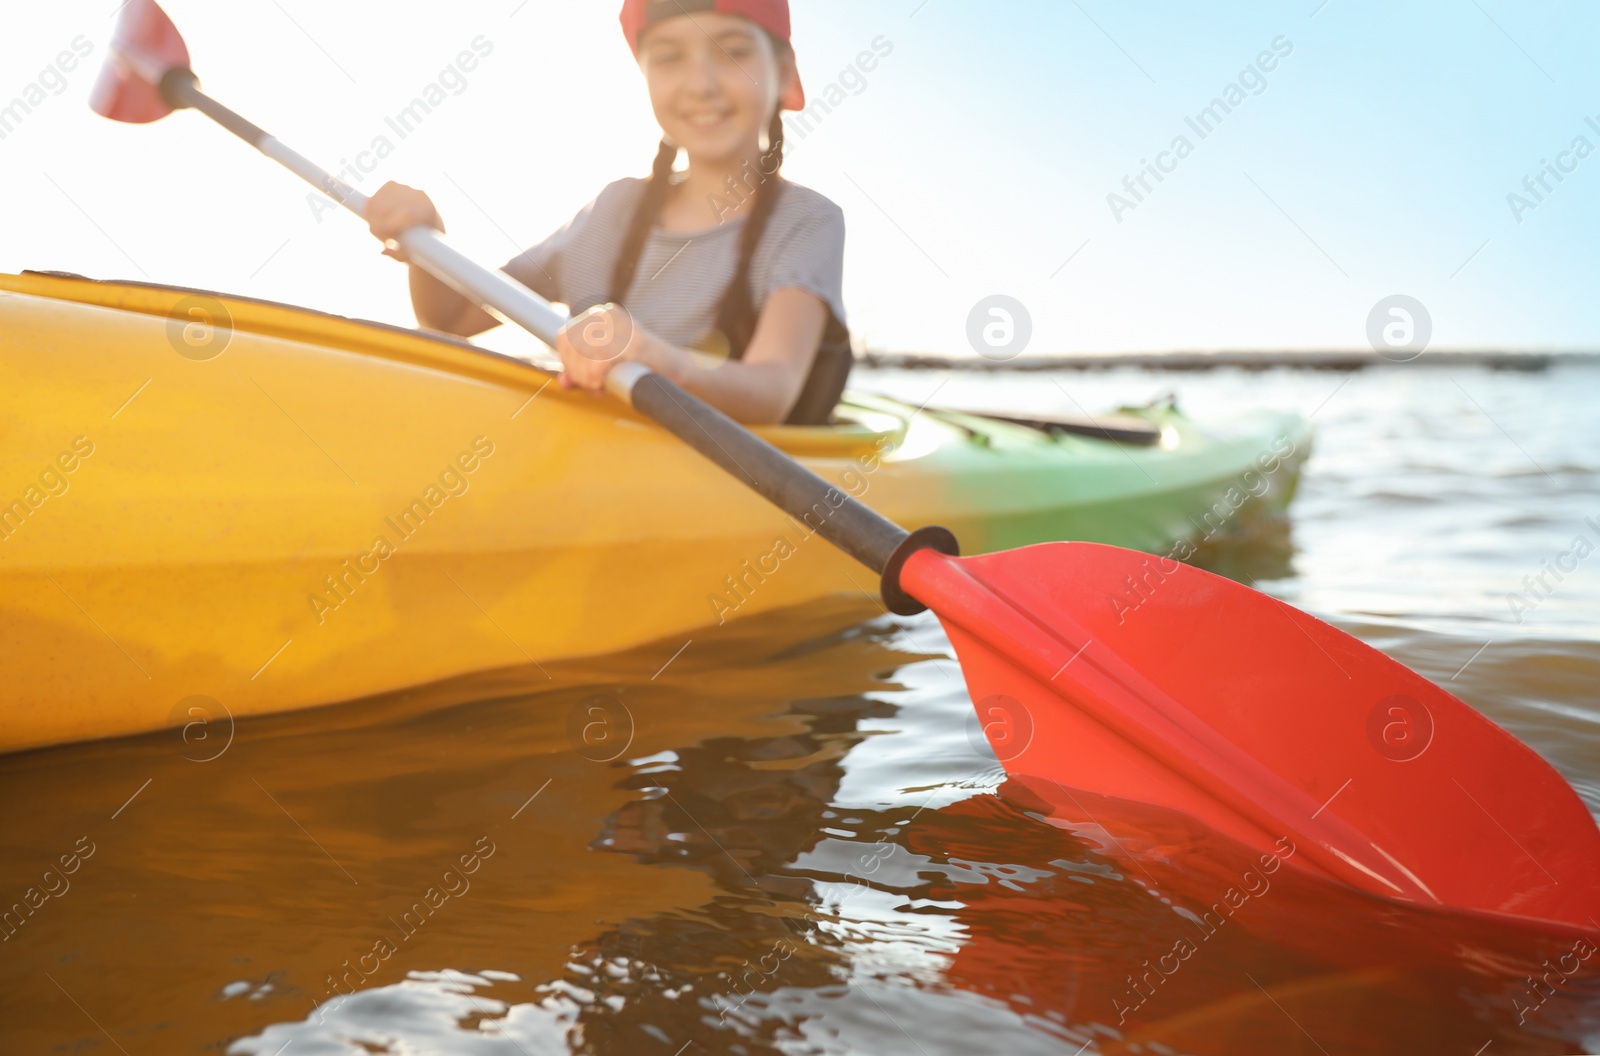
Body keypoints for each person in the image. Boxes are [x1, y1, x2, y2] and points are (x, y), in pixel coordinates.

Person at [364, 0, 852, 425]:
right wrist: (425, 236)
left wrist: (652, 356)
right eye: (668, 58)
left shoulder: (806, 221)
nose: (701, 83)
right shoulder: (613, 211)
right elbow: (453, 317)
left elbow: (772, 391)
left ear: (784, 71)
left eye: (733, 52)